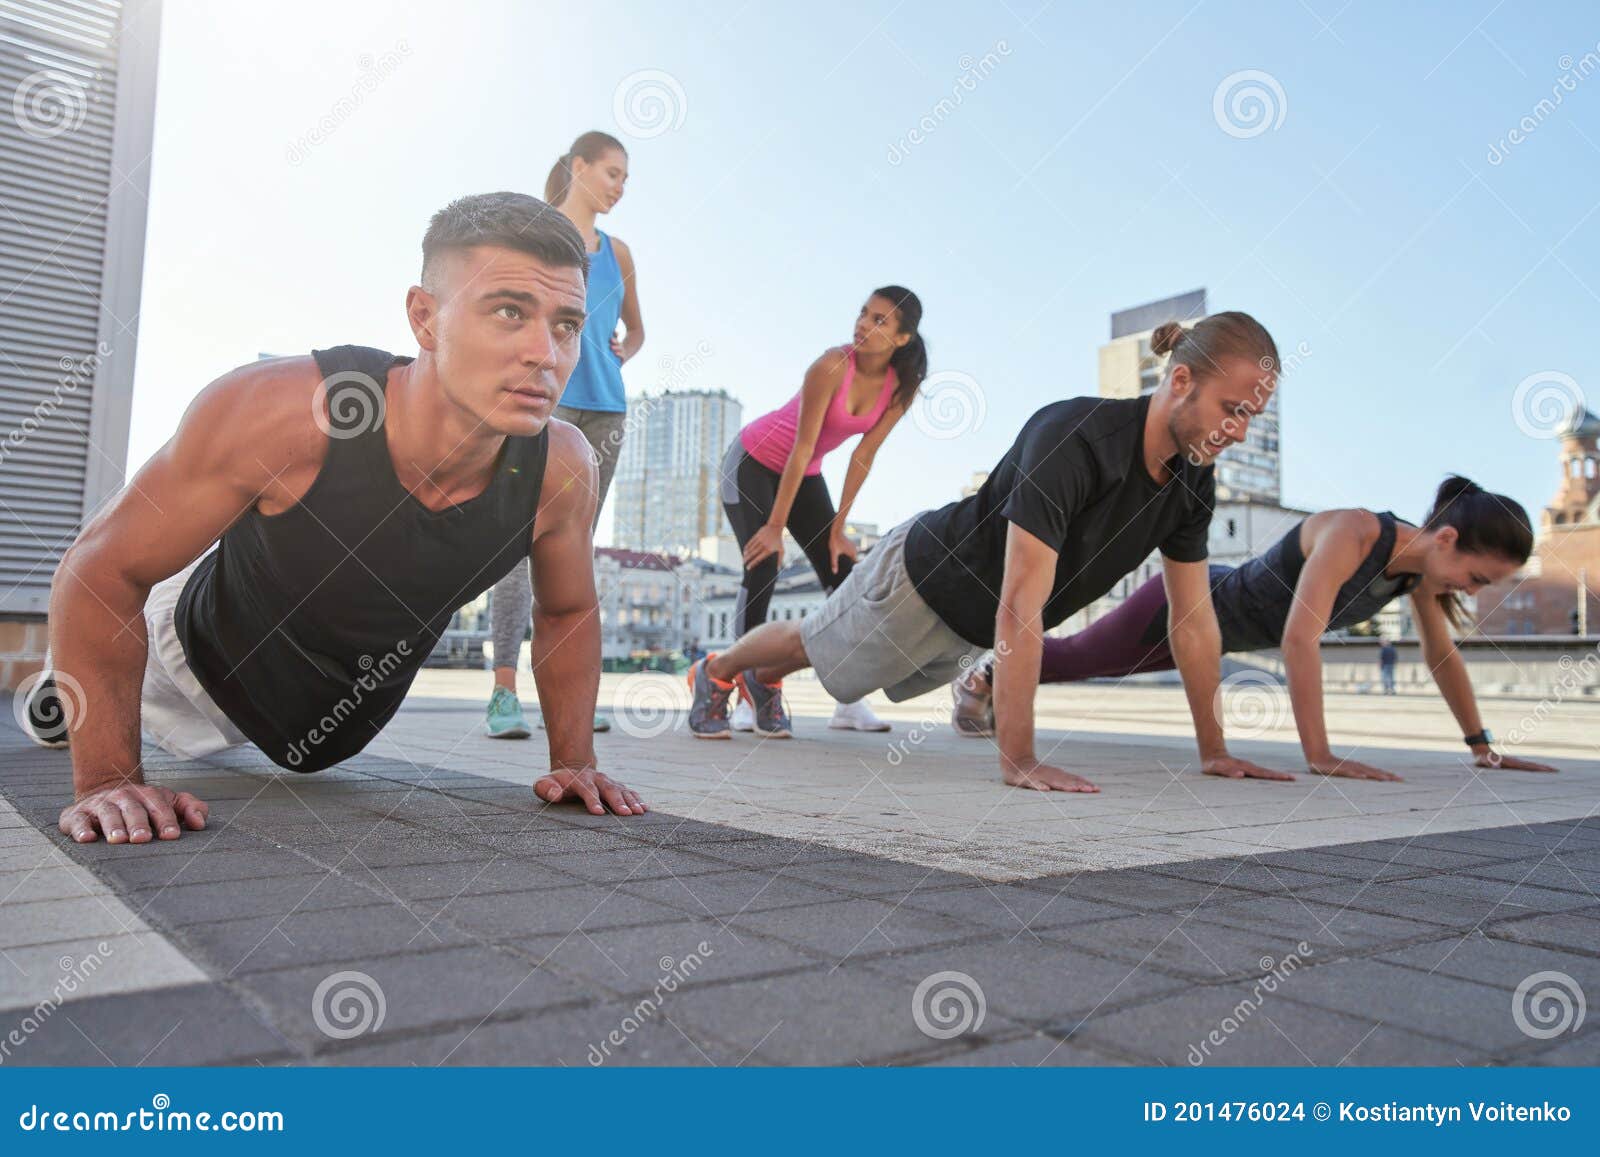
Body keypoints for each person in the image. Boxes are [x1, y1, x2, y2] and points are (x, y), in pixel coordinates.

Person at [26, 192, 648, 846]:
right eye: (509, 312)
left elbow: (568, 609)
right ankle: (59, 694)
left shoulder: (561, 468)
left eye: (566, 325)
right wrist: (106, 779)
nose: (544, 354)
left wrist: (575, 761)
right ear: (425, 318)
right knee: (84, 687)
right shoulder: (284, 411)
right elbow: (102, 568)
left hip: (335, 730)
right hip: (190, 663)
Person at [686, 312, 1286, 793]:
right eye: (1232, 410)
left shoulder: (1192, 486)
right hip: (924, 579)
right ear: (1180, 381)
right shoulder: (1075, 438)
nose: (1238, 431)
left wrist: (1215, 752)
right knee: (813, 643)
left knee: (835, 666)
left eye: (1250, 418)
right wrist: (1019, 760)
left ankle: (761, 679)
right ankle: (715, 672)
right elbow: (1022, 602)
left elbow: (1193, 620)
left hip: (975, 622)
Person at [950, 476, 1559, 778]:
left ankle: (985, 679)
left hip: (1219, 636)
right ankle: (981, 676)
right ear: (1448, 539)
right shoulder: (1356, 533)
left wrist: (1483, 748)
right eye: (1476, 577)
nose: (1470, 591)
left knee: (1084, 664)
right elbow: (1299, 636)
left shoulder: (1419, 576)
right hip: (1184, 607)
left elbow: (1441, 656)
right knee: (1082, 658)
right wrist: (1318, 756)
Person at [485, 131, 644, 739]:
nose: (620, 186)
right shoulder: (532, 230)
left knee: (573, 550)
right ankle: (504, 693)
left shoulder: (620, 253)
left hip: (605, 410)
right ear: (579, 167)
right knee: (514, 544)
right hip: (540, 402)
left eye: (626, 178)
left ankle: (570, 692)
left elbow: (636, 332)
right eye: (611, 172)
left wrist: (617, 353)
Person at [719, 287, 927, 735]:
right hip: (753, 461)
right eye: (862, 313)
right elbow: (801, 446)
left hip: (805, 473)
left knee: (845, 572)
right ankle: (743, 696)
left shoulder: (900, 388)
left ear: (902, 338)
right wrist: (775, 527)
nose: (862, 324)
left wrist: (837, 530)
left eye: (878, 320)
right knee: (763, 565)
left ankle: (849, 702)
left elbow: (863, 456)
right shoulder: (831, 365)